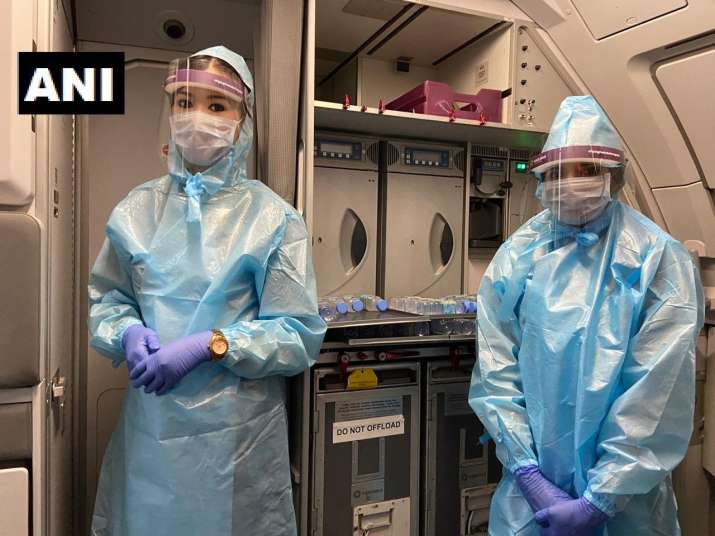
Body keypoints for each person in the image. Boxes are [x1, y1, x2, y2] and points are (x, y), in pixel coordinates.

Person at [88, 45, 326, 536]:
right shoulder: (136, 210)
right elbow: (111, 298)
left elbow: (298, 332)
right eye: (184, 101)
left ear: (243, 121)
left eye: (217, 106)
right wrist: (129, 332)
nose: (197, 118)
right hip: (153, 430)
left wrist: (211, 344)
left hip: (237, 439)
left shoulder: (273, 217)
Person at [469, 95, 704, 535]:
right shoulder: (517, 257)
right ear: (541, 179)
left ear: (613, 177)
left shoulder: (657, 259)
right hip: (532, 498)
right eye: (557, 172)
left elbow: (657, 392)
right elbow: (497, 374)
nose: (570, 182)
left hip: (628, 507)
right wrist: (531, 477)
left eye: (586, 170)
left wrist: (602, 498)